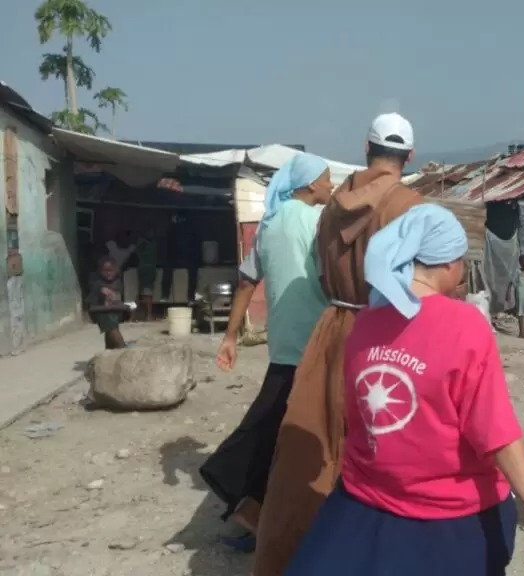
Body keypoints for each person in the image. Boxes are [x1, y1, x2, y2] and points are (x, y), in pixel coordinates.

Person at [286, 204, 524, 576]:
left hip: (364, 504)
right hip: (451, 515)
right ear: (449, 265)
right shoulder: (465, 325)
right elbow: (494, 432)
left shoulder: (364, 324)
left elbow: (358, 416)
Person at [253, 113, 425, 576]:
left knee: (314, 451)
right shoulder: (410, 205)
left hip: (332, 328)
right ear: (409, 157)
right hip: (388, 334)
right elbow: (426, 284)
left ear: (366, 149)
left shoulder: (332, 203)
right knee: (386, 452)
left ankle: (295, 553)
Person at [199, 153, 333, 551]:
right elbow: (332, 279)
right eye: (327, 179)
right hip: (314, 343)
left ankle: (257, 507)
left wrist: (230, 336)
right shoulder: (319, 224)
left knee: (277, 424)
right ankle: (242, 492)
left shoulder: (270, 223)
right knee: (278, 427)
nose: (330, 186)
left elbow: (245, 282)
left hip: (285, 343)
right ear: (310, 184)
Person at [87, 256, 129, 350]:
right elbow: (92, 303)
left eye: (111, 270)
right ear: (100, 271)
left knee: (110, 329)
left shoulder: (117, 282)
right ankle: (122, 348)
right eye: (105, 271)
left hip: (114, 312)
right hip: (100, 313)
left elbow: (118, 300)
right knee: (111, 327)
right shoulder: (97, 283)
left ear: (116, 270)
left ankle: (109, 350)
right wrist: (101, 291)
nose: (108, 273)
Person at [162, 211, 199, 302]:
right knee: (167, 271)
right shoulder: (173, 228)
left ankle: (191, 296)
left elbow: (194, 245)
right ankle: (165, 296)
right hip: (176, 258)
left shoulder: (189, 229)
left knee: (193, 272)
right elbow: (168, 244)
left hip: (186, 258)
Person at [135, 230, 158, 322]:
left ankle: (142, 315)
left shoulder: (143, 243)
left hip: (147, 268)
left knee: (144, 291)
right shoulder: (145, 243)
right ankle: (148, 315)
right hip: (147, 269)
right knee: (147, 292)